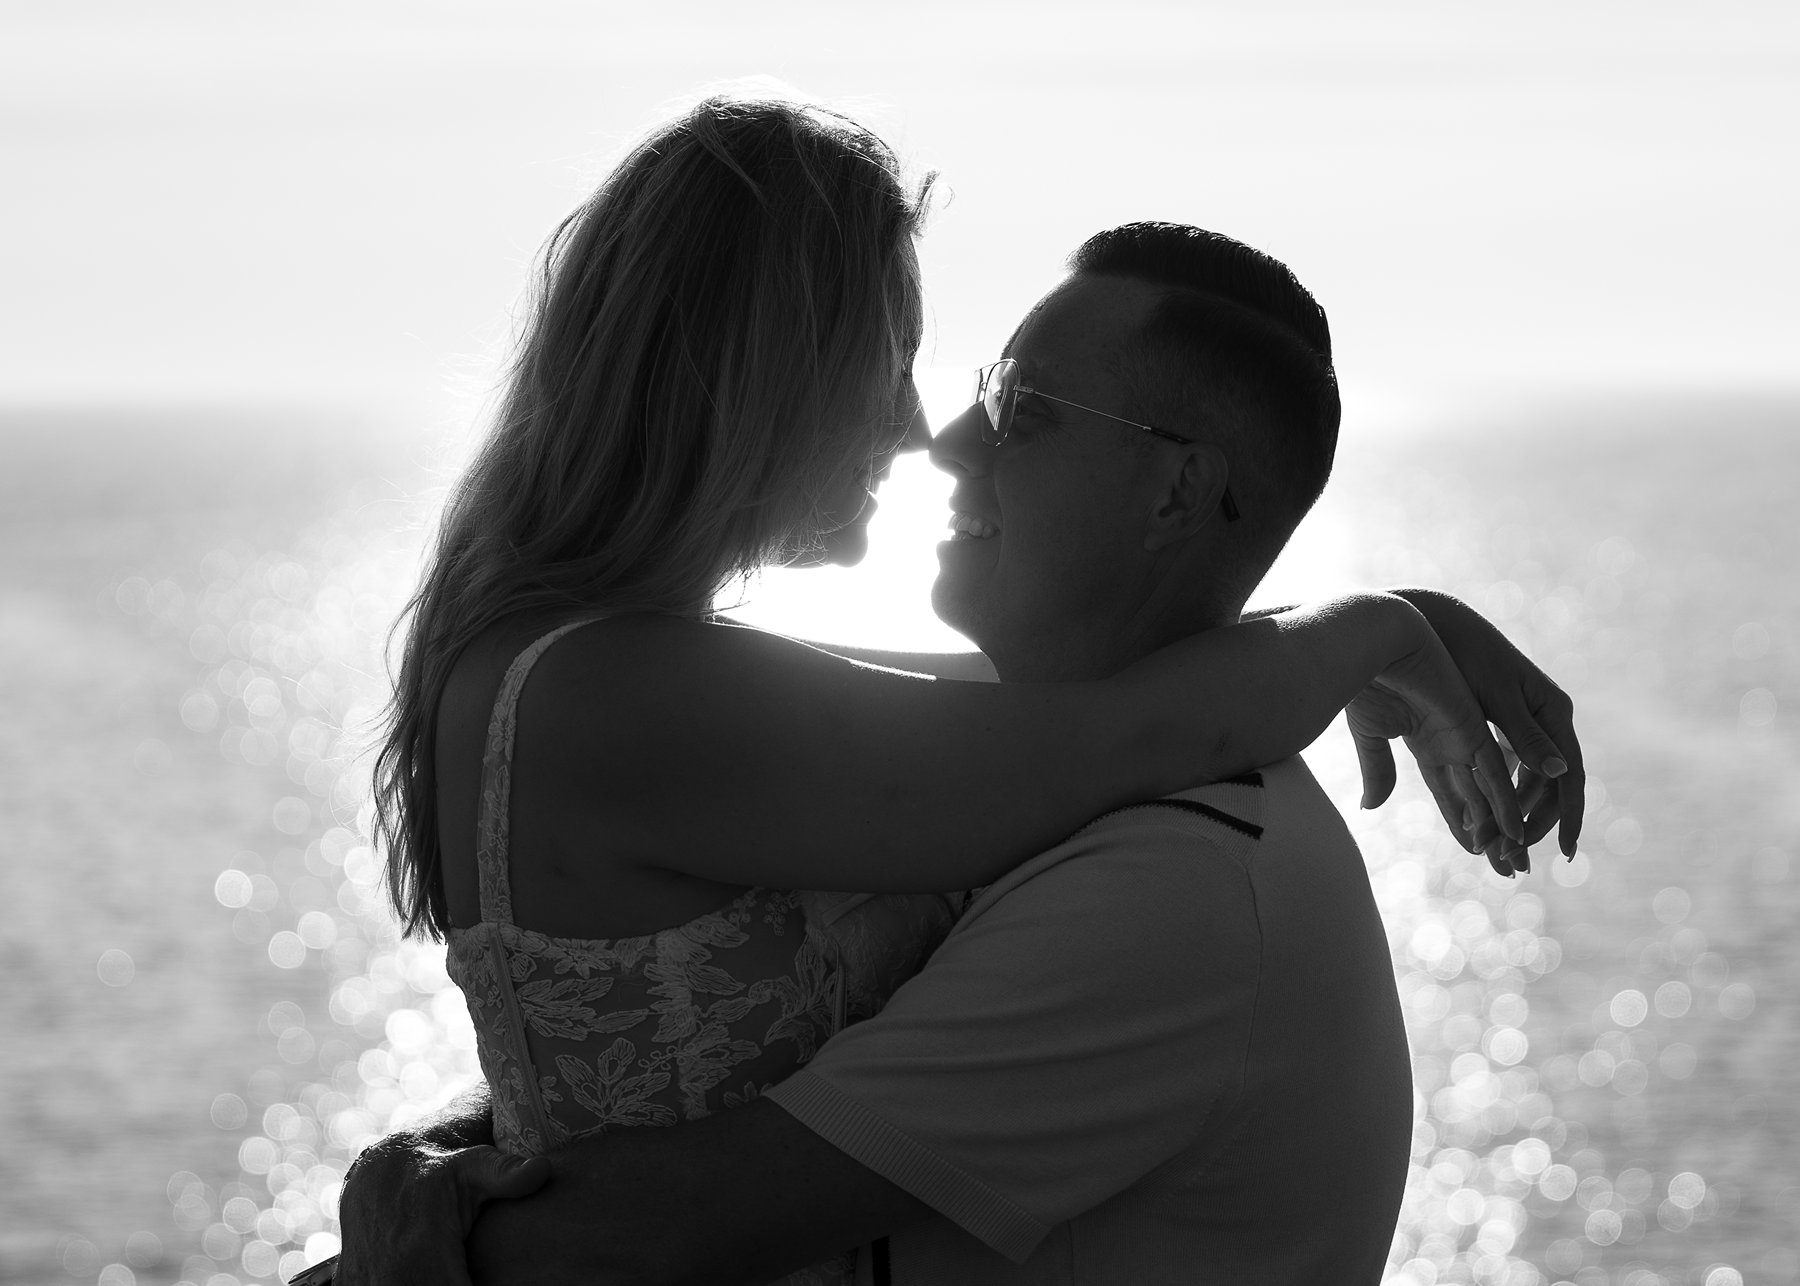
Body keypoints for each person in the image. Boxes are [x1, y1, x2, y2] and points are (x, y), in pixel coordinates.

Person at [326, 217, 1582, 1284]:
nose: (947, 442)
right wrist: (1383, 628)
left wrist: (418, 1210)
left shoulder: (1174, 886)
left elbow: (686, 1216)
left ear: (1176, 494)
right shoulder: (1038, 765)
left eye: (1018, 409)